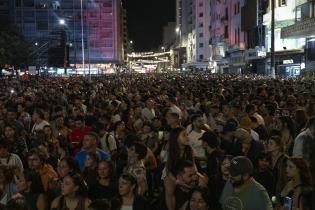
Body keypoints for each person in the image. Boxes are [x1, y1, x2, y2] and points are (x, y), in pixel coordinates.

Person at [164, 127, 194, 210]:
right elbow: (168, 170)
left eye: (187, 135)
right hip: (172, 174)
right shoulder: (171, 151)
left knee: (201, 181)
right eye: (184, 135)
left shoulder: (189, 150)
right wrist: (177, 181)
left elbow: (193, 166)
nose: (187, 137)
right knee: (168, 184)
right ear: (176, 138)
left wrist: (192, 177)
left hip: (185, 173)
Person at [267, 135, 288, 200]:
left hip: (279, 191)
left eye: (271, 144)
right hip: (268, 189)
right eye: (268, 143)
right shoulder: (267, 157)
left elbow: (285, 179)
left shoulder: (285, 159)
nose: (268, 145)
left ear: (278, 146)